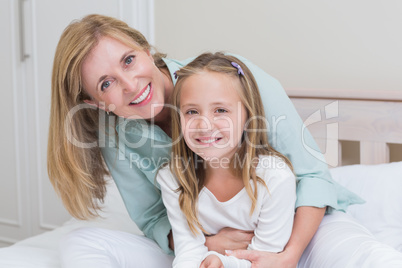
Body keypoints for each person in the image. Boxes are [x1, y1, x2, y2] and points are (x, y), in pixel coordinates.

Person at [48, 14, 364, 267]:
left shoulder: (230, 77)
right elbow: (153, 218)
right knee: (79, 241)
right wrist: (208, 246)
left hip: (298, 229)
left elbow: (311, 175)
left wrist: (288, 255)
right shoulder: (117, 137)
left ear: (147, 50)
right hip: (206, 249)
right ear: (96, 104)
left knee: (358, 254)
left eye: (128, 60)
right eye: (106, 83)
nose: (130, 85)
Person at [157, 52, 296, 268]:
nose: (204, 125)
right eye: (192, 111)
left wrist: (221, 261)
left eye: (220, 110)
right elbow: (188, 251)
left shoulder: (275, 177)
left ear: (248, 117)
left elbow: (263, 259)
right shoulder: (173, 178)